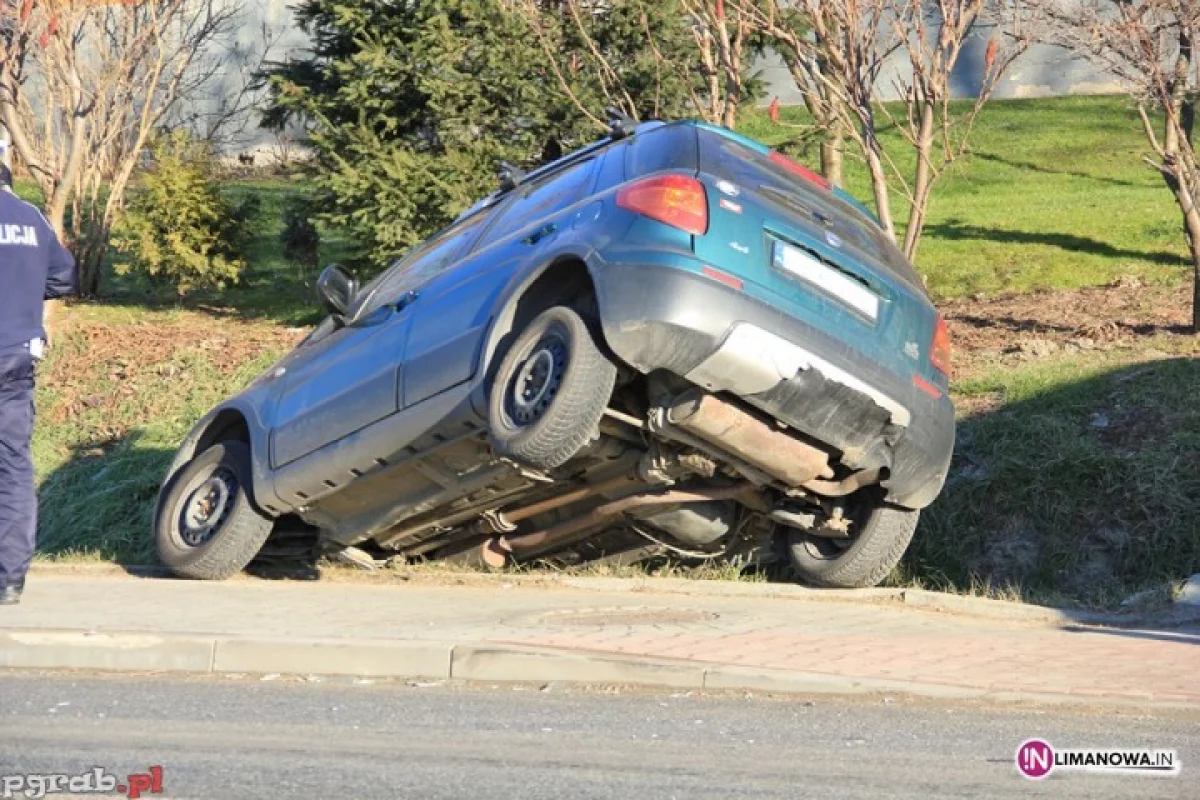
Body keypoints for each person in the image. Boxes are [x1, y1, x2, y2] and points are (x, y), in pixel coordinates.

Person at [0, 162, 77, 605]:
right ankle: (10, 579)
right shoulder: (31, 218)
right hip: (15, 360)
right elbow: (64, 278)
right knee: (12, 466)